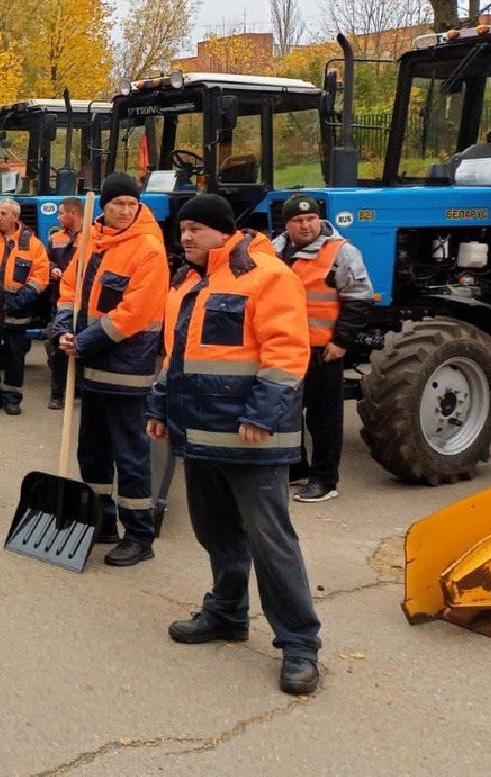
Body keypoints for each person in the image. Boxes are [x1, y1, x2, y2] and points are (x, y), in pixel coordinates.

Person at [147, 192, 321, 696]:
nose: (185, 237)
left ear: (223, 232)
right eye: (182, 229)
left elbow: (286, 352)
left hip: (253, 439)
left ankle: (300, 644)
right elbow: (175, 358)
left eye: (196, 229)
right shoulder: (187, 283)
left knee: (271, 543)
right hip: (201, 437)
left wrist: (262, 414)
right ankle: (226, 612)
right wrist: (159, 408)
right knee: (216, 532)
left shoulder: (268, 276)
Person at [55, 172, 169, 566]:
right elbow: (69, 289)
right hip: (92, 368)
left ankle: (139, 535)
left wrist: (83, 341)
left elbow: (135, 311)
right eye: (118, 203)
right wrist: (63, 327)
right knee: (93, 451)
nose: (124, 210)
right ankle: (101, 521)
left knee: (130, 454)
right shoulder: (91, 241)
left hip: (126, 370)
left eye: (131, 204)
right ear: (104, 205)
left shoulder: (148, 248)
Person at [273, 193, 374, 503]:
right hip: (285, 349)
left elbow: (359, 299)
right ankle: (296, 468)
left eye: (311, 218)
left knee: (324, 420)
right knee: (287, 413)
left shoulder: (341, 252)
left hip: (323, 351)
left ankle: (325, 480)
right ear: (286, 224)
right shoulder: (274, 251)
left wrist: (341, 342)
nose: (306, 225)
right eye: (298, 220)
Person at [0, 198, 50, 414]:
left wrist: (19, 301)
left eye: (3, 214)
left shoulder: (33, 245)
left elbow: (40, 277)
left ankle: (12, 399)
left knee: (14, 355)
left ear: (15, 217)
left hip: (18, 308)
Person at [45, 196, 84, 409]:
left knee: (82, 345)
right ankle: (57, 394)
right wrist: (52, 268)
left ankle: (78, 387)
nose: (58, 217)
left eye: (61, 213)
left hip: (84, 300)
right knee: (58, 347)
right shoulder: (55, 238)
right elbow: (47, 259)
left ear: (74, 214)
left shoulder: (92, 237)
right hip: (60, 300)